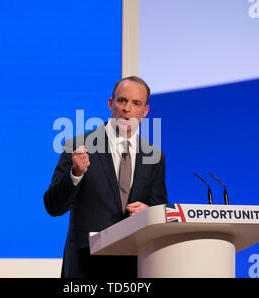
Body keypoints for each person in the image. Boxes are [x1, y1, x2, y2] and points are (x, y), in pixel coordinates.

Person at [44, 76, 168, 278]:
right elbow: (53, 207)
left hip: (133, 267)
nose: (127, 109)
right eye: (122, 101)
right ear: (111, 104)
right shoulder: (77, 146)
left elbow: (159, 208)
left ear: (145, 111)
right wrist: (75, 174)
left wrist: (149, 213)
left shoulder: (154, 156)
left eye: (136, 103)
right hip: (86, 267)